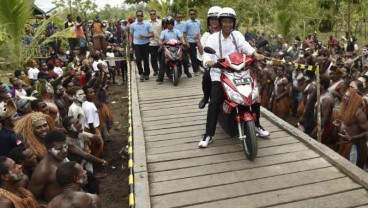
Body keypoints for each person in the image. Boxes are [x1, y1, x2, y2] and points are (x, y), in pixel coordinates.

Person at [199, 7, 267, 148]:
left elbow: (246, 47)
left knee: (253, 95)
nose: (227, 24)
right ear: (220, 22)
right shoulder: (212, 38)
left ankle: (257, 125)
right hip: (220, 73)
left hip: (239, 72)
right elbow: (207, 55)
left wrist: (255, 54)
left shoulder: (237, 36)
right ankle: (208, 134)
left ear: (233, 23)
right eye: (225, 21)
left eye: (230, 21)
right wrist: (208, 61)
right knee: (215, 100)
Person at [29, 130, 69, 203]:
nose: (64, 151)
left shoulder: (62, 157)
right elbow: (32, 199)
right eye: (59, 149)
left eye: (66, 146)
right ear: (48, 149)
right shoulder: (43, 170)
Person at [195, 6, 222, 109]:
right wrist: (198, 42)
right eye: (212, 19)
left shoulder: (228, 33)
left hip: (229, 64)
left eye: (216, 18)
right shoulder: (207, 35)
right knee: (206, 77)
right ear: (208, 21)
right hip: (213, 65)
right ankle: (206, 97)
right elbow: (203, 53)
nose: (214, 21)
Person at [336, 88, 368, 169]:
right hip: (344, 144)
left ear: (353, 99)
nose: (345, 98)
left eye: (348, 97)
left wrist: (352, 138)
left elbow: (367, 131)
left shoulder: (358, 113)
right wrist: (340, 123)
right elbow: (349, 124)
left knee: (351, 170)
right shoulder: (347, 109)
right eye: (345, 96)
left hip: (353, 146)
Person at [156, 17, 187, 83]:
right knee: (162, 60)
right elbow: (160, 40)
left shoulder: (177, 31)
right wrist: (161, 43)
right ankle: (160, 77)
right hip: (167, 48)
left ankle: (187, 72)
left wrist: (183, 42)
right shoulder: (163, 32)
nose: (170, 25)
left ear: (173, 24)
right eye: (168, 24)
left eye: (171, 24)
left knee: (185, 59)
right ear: (166, 24)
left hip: (177, 47)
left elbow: (181, 38)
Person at [129, 10, 154, 81]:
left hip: (146, 44)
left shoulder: (147, 24)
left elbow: (152, 34)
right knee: (138, 59)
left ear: (143, 16)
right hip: (137, 44)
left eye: (140, 15)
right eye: (138, 16)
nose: (139, 17)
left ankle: (147, 73)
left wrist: (145, 36)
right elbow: (130, 36)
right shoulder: (133, 25)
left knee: (146, 60)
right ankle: (141, 73)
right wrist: (131, 46)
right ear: (136, 16)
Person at [184, 9, 202, 76]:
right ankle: (195, 71)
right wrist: (187, 42)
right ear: (189, 15)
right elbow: (185, 33)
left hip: (198, 41)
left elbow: (200, 31)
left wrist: (201, 40)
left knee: (199, 56)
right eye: (191, 14)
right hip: (190, 41)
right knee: (193, 57)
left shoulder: (198, 22)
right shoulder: (187, 23)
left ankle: (199, 67)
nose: (192, 15)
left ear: (195, 14)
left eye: (193, 14)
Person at [148, 10, 162, 77]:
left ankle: (162, 69)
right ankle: (155, 70)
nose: (152, 15)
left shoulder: (161, 22)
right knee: (153, 58)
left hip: (160, 43)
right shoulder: (147, 23)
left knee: (161, 57)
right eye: (151, 14)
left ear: (156, 14)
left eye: (154, 14)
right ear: (149, 15)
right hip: (151, 43)